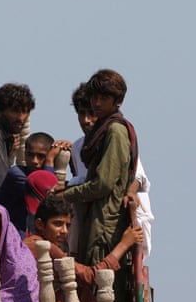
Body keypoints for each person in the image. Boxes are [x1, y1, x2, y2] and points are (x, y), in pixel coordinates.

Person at [23, 195, 142, 302]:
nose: (64, 231)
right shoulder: (42, 246)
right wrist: (124, 244)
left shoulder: (33, 243)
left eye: (68, 225)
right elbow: (91, 276)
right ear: (40, 224)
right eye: (58, 224)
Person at [57, 69, 139, 267]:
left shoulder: (115, 131)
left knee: (100, 278)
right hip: (96, 218)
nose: (97, 103)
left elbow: (103, 184)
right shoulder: (101, 131)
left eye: (104, 98)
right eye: (94, 97)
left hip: (106, 223)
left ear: (117, 101)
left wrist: (66, 194)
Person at [66, 82, 154, 259]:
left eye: (90, 113)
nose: (86, 120)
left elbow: (136, 176)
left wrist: (130, 192)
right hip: (88, 220)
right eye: (81, 114)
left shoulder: (114, 135)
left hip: (110, 220)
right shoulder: (78, 147)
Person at [0, 132, 59, 235]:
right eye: (30, 155)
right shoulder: (16, 174)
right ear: (25, 154)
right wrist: (49, 160)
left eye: (41, 156)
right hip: (14, 236)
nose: (34, 161)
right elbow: (46, 191)